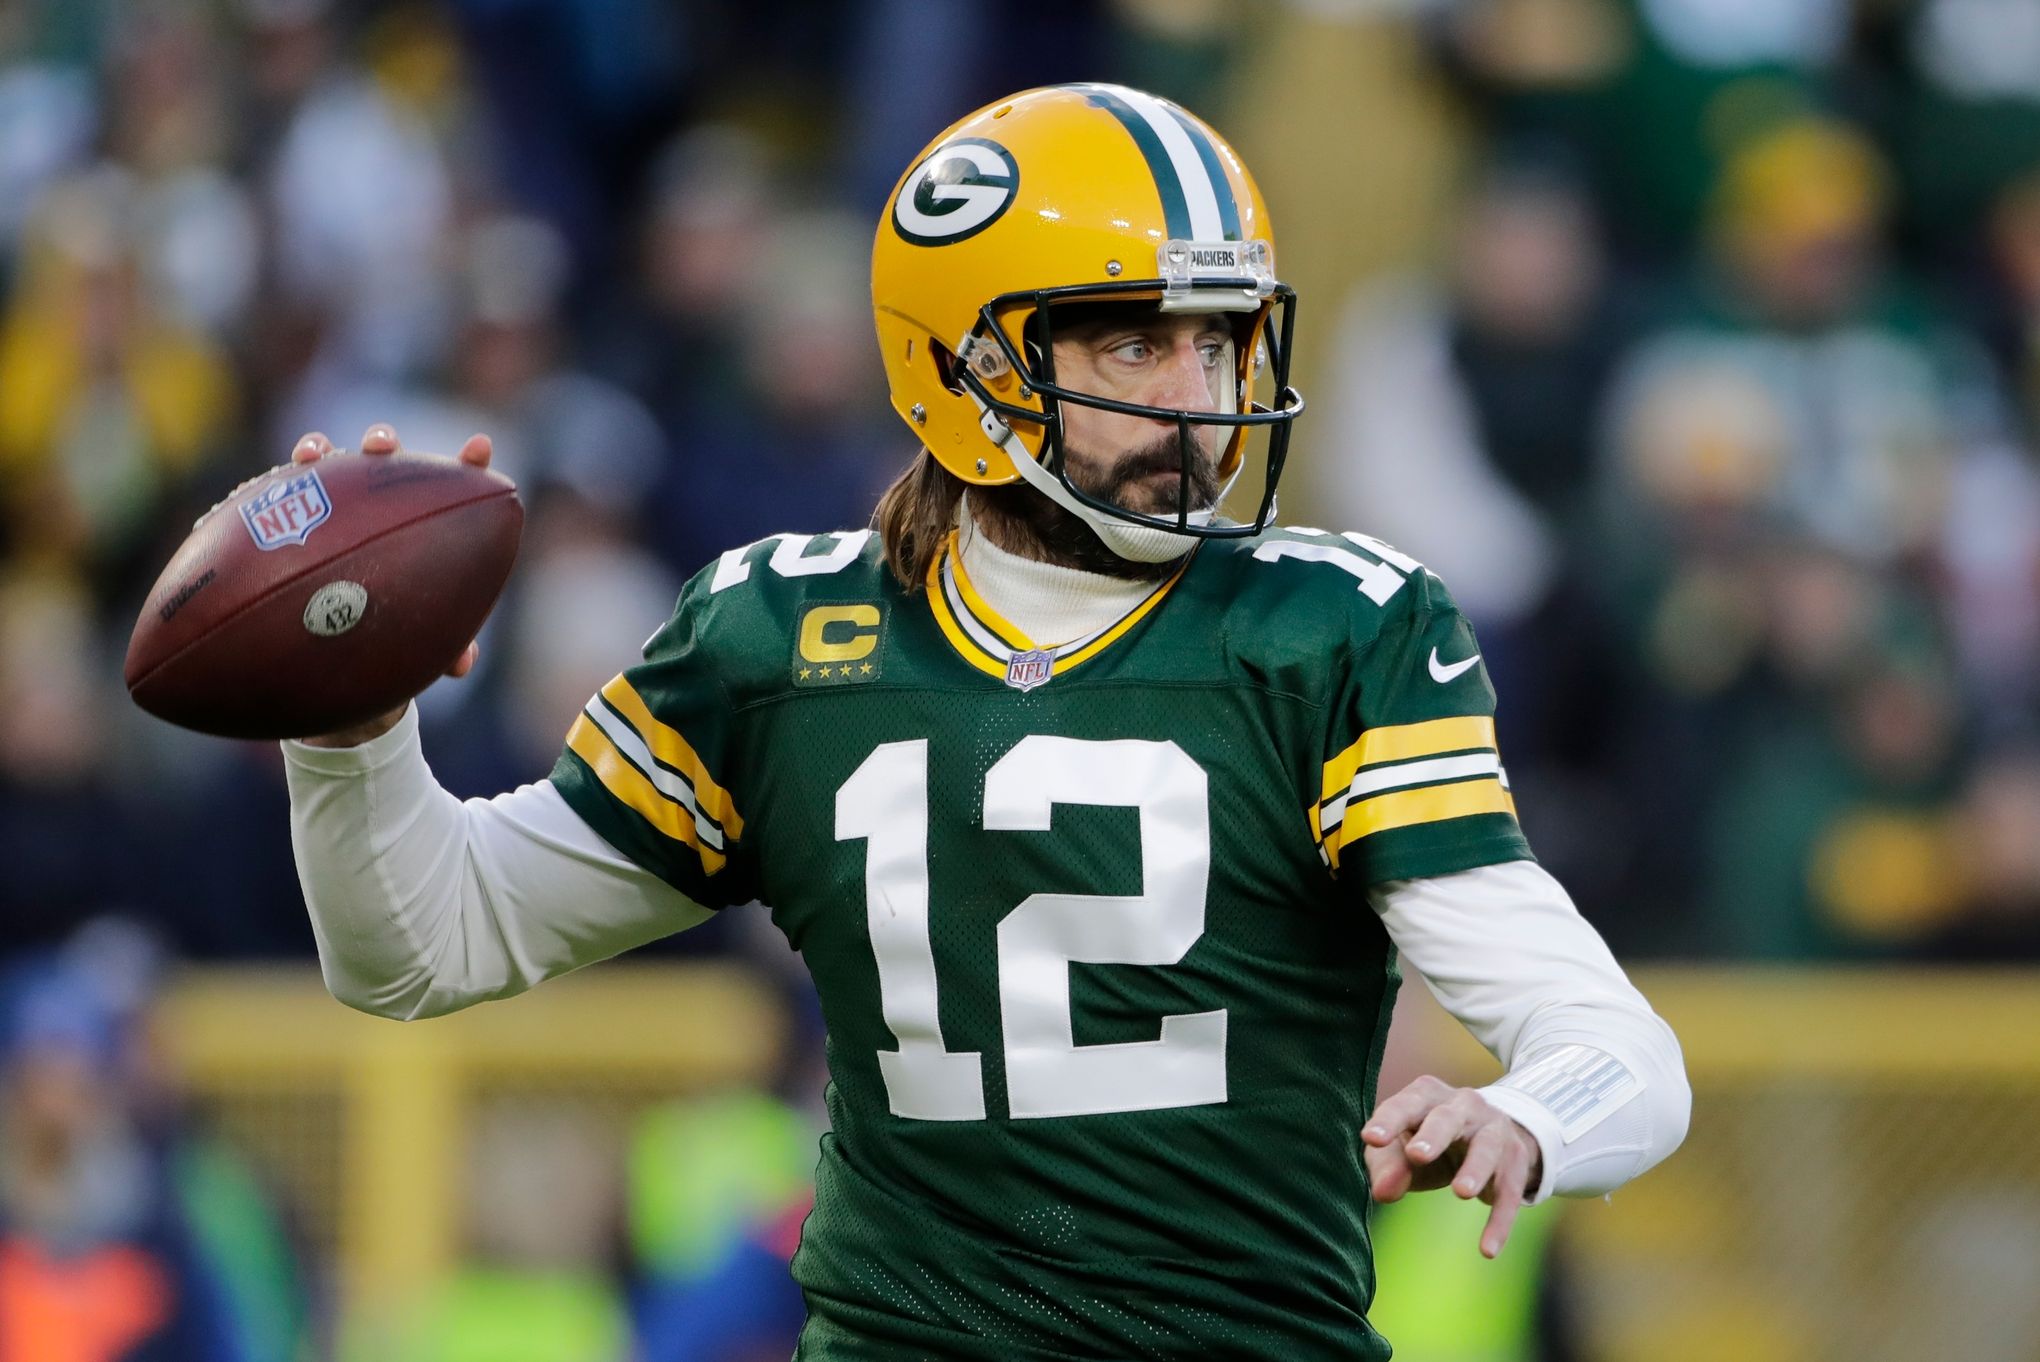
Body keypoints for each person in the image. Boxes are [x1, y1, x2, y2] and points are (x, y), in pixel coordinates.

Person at [281, 84, 1689, 1361]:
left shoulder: (1336, 631)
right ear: (969, 367)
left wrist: (1529, 1116)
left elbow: (1617, 1046)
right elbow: (423, 944)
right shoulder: (781, 636)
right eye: (1138, 346)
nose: (1199, 403)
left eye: (1221, 342)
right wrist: (349, 727)